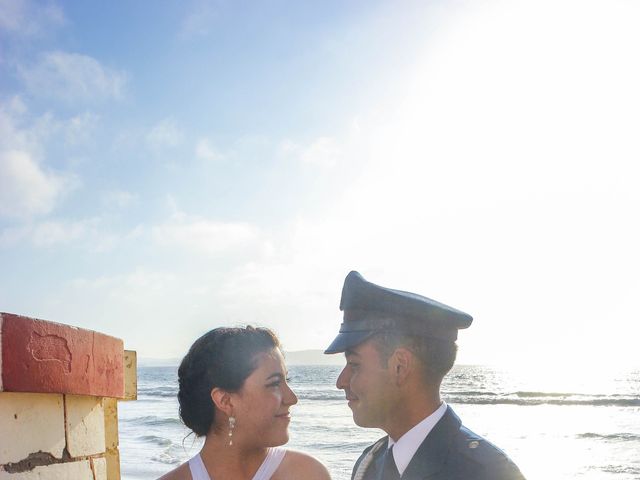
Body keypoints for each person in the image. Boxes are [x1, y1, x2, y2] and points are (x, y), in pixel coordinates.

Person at [325, 271, 526, 480]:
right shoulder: (369, 464)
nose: (341, 382)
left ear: (399, 367)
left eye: (354, 365)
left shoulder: (488, 473)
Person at [160, 326, 331, 480]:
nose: (292, 399)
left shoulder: (308, 474)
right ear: (225, 400)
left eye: (287, 380)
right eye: (274, 384)